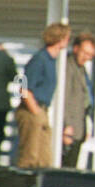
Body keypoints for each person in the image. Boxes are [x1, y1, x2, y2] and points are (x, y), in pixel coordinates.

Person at [16, 22, 70, 168]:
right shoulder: (40, 59)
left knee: (44, 160)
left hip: (42, 110)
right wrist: (36, 112)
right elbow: (25, 88)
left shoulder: (51, 61)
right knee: (30, 157)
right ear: (60, 39)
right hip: (31, 110)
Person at [61, 32, 95, 168]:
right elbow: (65, 98)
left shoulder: (82, 70)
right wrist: (66, 126)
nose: (87, 57)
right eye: (85, 53)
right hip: (69, 130)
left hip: (79, 130)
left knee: (72, 166)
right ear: (75, 48)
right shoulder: (68, 67)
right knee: (65, 168)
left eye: (90, 55)